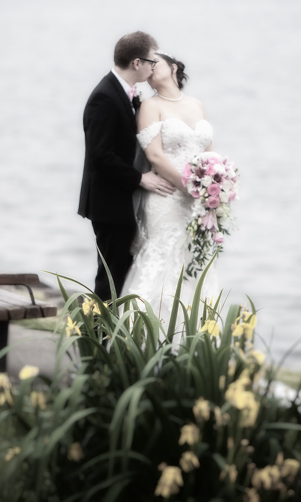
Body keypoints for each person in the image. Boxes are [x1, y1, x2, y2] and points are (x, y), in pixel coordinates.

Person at [78, 31, 175, 301]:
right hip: (109, 204)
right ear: (137, 63)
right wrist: (140, 179)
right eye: (151, 62)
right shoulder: (105, 97)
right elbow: (101, 155)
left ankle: (108, 339)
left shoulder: (124, 93)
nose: (153, 67)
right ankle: (97, 340)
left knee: (119, 274)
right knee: (110, 278)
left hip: (119, 202)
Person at [122, 51, 216, 319]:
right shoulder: (151, 106)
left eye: (156, 62)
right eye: (147, 65)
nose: (150, 67)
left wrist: (215, 187)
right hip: (167, 198)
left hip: (197, 202)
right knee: (161, 262)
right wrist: (188, 186)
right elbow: (155, 156)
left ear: (173, 67)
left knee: (193, 264)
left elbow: (209, 153)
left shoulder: (197, 104)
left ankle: (188, 338)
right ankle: (142, 335)